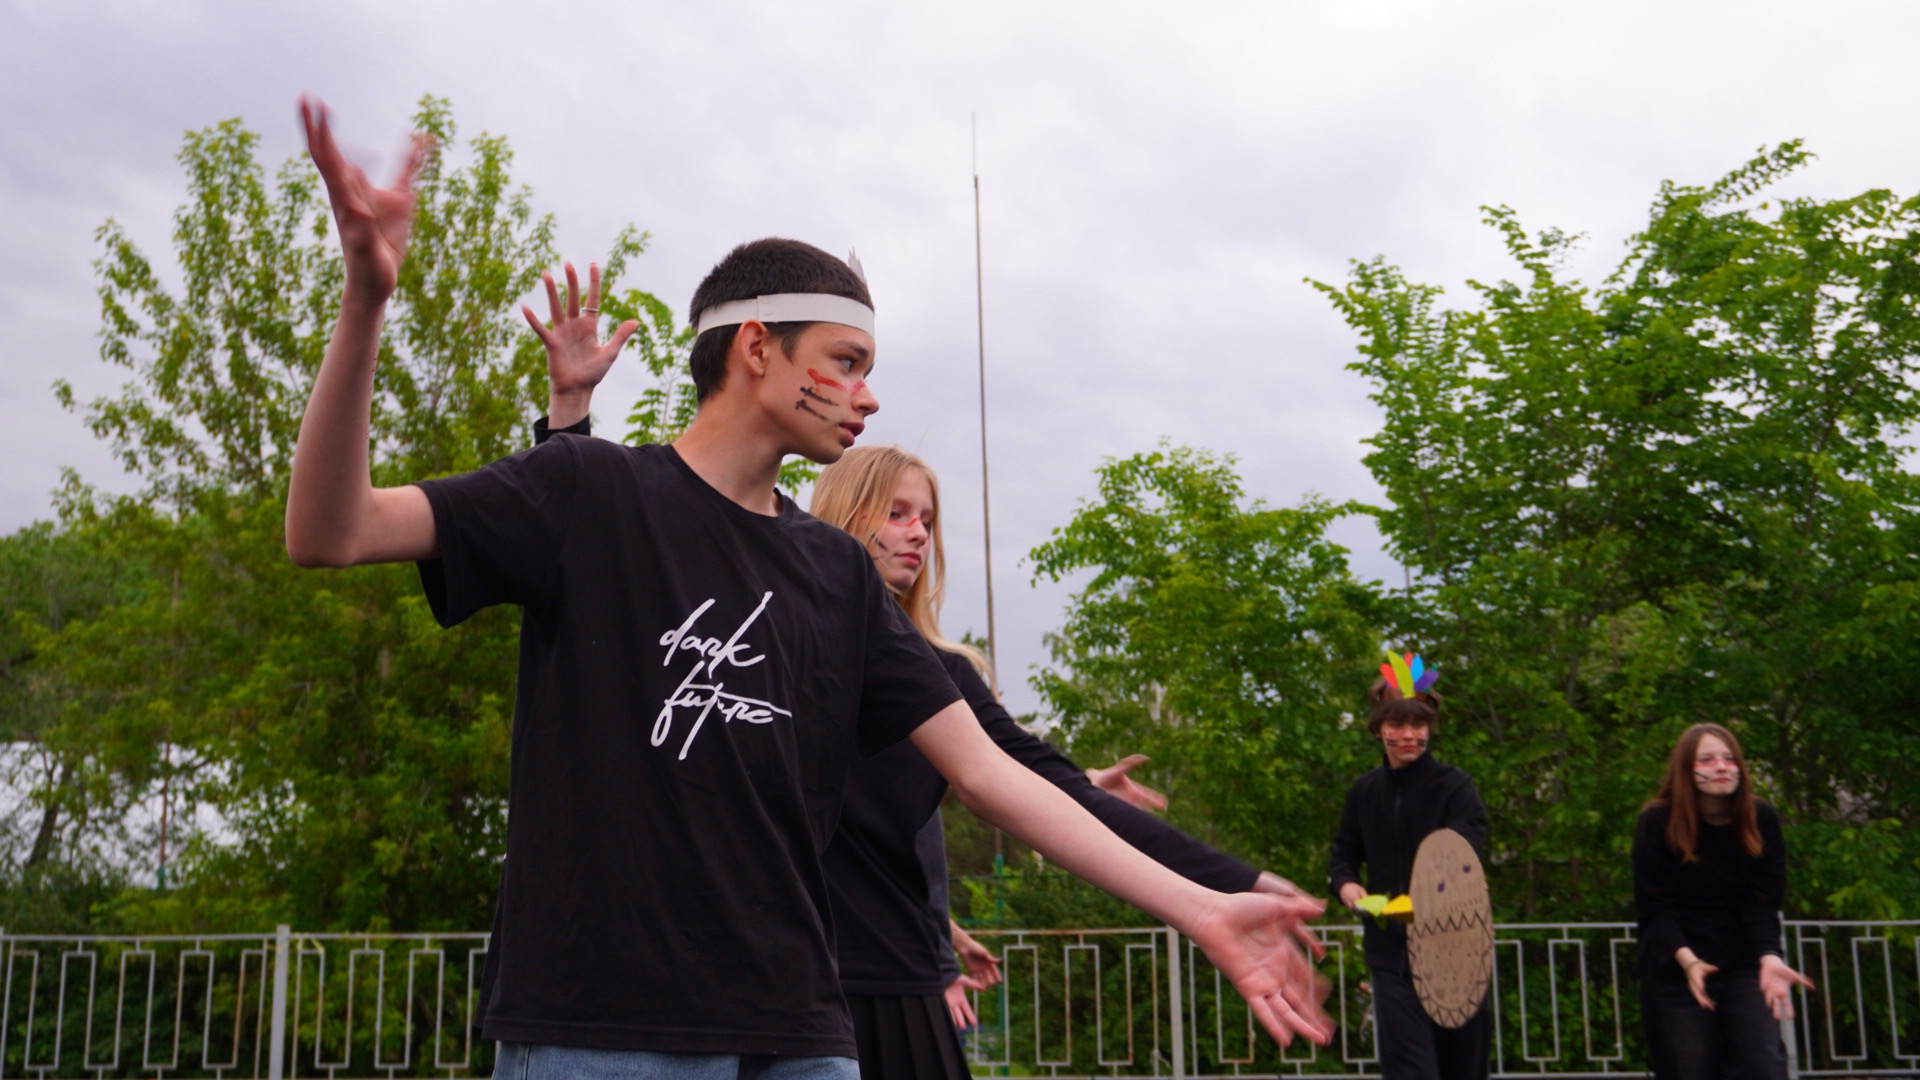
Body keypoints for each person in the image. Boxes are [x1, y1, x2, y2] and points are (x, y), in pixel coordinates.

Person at [286, 99, 1330, 1080]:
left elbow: (992, 772)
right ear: (757, 348)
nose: (867, 395)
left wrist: (1199, 906)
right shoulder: (588, 492)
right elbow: (332, 531)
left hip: (799, 1034)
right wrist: (366, 301)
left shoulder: (833, 570)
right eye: (846, 360)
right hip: (604, 1029)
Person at [540, 357, 1320, 1080]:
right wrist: (569, 419)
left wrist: (1234, 883)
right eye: (897, 512)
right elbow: (611, 584)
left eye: (927, 518)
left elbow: (1025, 782)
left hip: (891, 986)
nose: (918, 531)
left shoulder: (939, 675)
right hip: (764, 985)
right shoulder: (766, 638)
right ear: (846, 512)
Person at [1328, 667, 1490, 1080]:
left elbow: (1465, 853)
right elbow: (1343, 854)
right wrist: (1346, 886)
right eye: (1397, 725)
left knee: (1462, 1072)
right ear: (1378, 729)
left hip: (1457, 952)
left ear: (1430, 728)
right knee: (1411, 1072)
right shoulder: (1364, 792)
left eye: (1418, 725)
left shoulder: (1456, 788)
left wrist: (1428, 895)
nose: (1408, 736)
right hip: (1391, 958)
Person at [1632, 723, 1814, 1080]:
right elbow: (1656, 908)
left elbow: (1761, 904)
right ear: (1686, 770)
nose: (1721, 767)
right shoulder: (1657, 822)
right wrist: (1690, 963)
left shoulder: (1761, 819)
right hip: (1677, 969)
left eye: (1730, 759)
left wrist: (1770, 956)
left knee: (1763, 1066)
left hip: (1743, 964)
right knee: (1689, 1068)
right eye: (1707, 759)